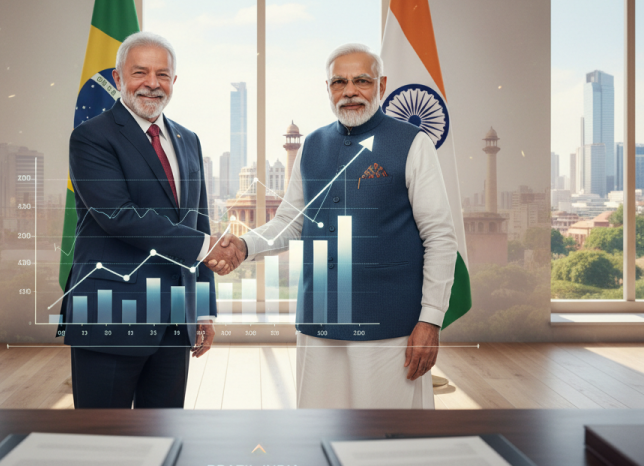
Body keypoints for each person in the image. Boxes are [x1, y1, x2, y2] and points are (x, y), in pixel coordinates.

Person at [225, 42, 457, 409]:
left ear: (381, 85)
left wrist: (431, 320)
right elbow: (291, 221)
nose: (350, 91)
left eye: (361, 81)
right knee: (320, 432)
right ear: (328, 89)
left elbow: (440, 237)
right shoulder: (311, 145)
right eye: (339, 82)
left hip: (389, 323)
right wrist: (243, 246)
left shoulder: (414, 144)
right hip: (319, 320)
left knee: (385, 440)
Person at [59, 31, 243, 408]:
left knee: (164, 433)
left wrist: (203, 308)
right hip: (110, 313)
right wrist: (207, 248)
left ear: (174, 81)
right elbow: (118, 216)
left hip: (175, 318)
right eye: (140, 72)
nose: (152, 84)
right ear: (118, 78)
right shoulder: (91, 138)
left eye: (162, 74)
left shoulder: (188, 139)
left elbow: (198, 221)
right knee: (104, 441)